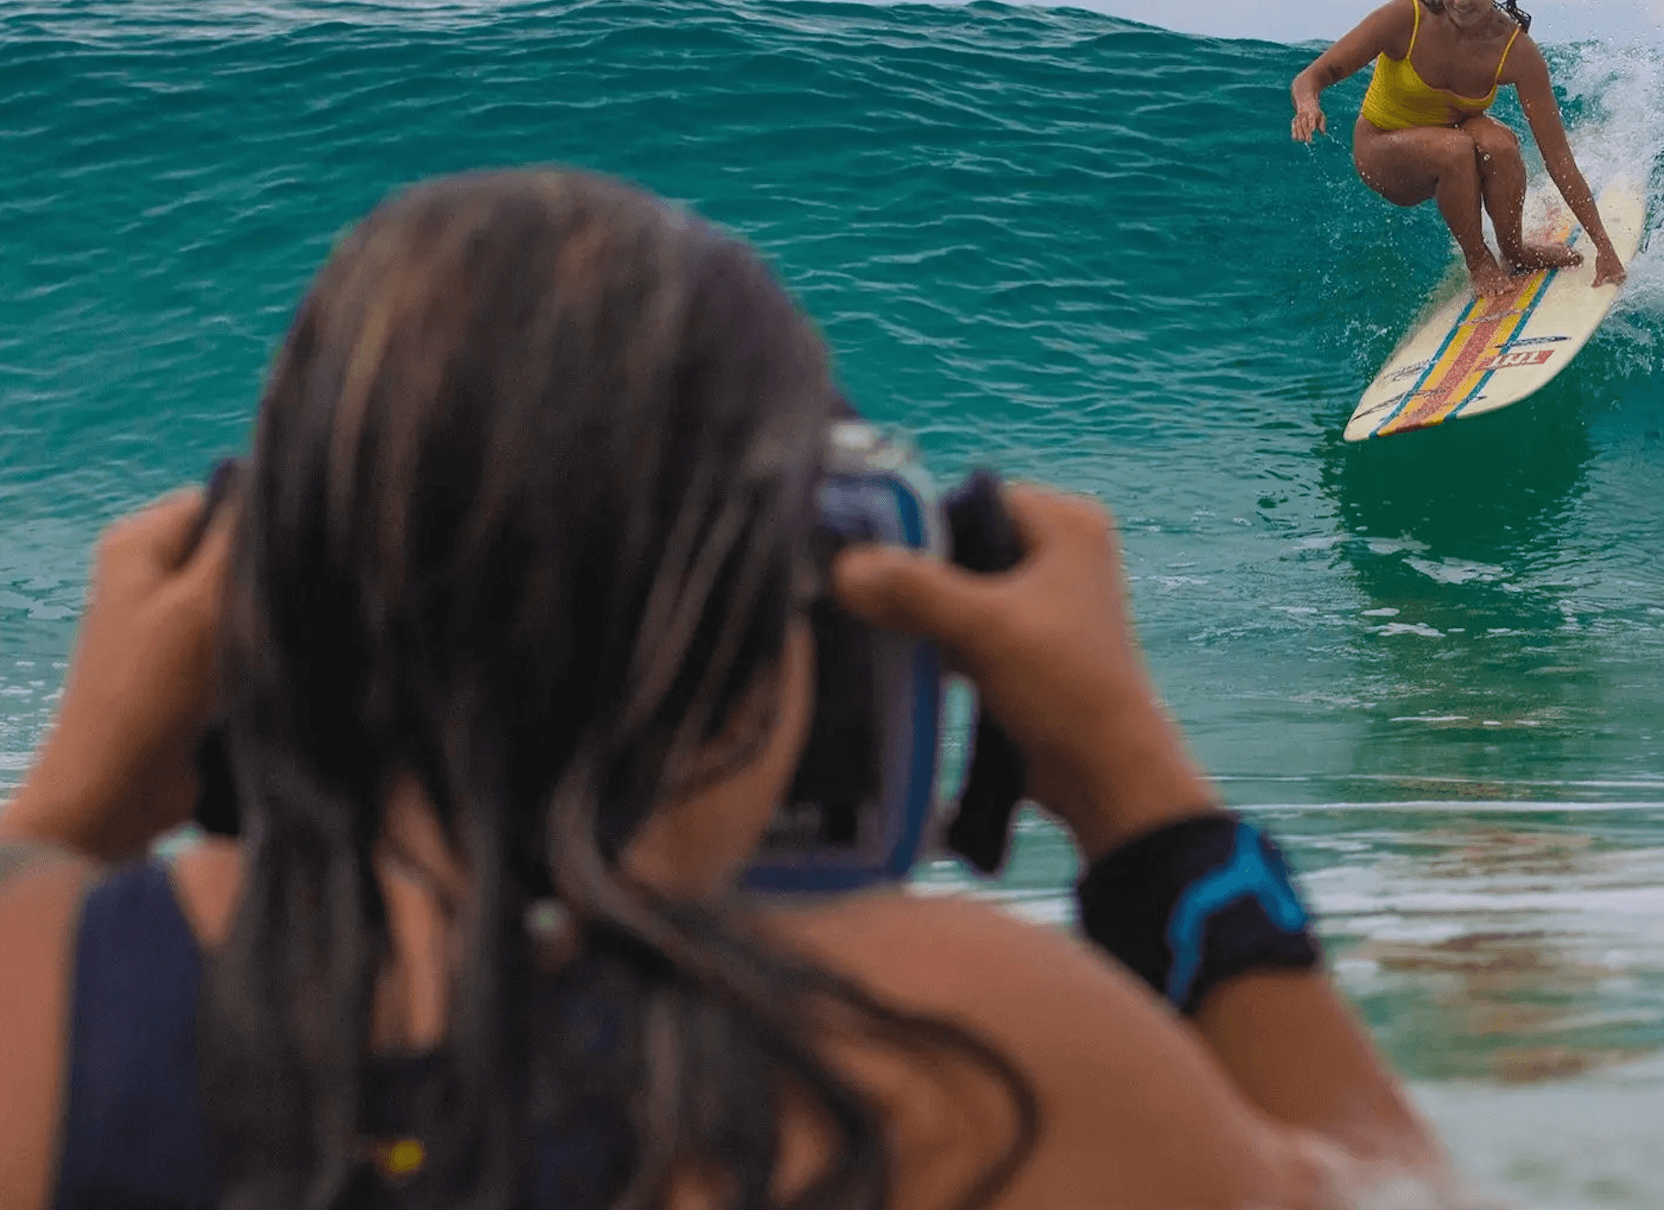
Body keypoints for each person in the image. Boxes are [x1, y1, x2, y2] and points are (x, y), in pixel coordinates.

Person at [0, 169, 1460, 1210]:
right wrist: (1148, 804)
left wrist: (74, 812)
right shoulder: (955, 1051)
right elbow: (1396, 1188)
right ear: (782, 636)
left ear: (245, 617)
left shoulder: (40, 1001)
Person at [1290, 0, 1627, 297]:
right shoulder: (1408, 16)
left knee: (1500, 144)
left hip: (1451, 147)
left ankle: (1514, 250)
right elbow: (1313, 75)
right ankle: (1479, 262)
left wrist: (1603, 245)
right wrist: (1308, 104)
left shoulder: (1515, 51)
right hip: (1382, 151)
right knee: (1454, 149)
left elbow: (1558, 157)